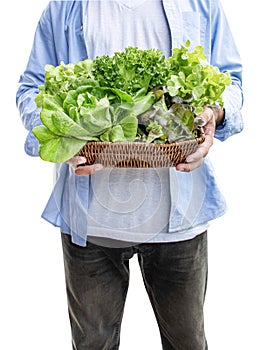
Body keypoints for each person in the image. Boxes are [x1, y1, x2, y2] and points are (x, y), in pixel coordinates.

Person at [16, 1, 243, 349]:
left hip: (180, 220)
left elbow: (231, 81)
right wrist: (63, 135)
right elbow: (32, 89)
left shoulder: (200, 5)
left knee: (188, 342)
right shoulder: (64, 8)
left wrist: (214, 112)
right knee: (93, 344)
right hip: (90, 225)